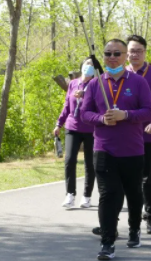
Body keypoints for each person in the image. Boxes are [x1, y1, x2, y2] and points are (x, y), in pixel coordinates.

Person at [80, 39, 151, 260]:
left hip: (132, 150)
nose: (112, 57)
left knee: (133, 194)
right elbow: (84, 115)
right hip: (104, 150)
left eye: (117, 53)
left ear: (125, 56)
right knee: (108, 195)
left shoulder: (138, 82)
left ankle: (134, 228)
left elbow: (149, 111)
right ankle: (107, 242)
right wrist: (102, 119)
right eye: (108, 53)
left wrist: (126, 115)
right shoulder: (95, 84)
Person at [125, 35, 151, 235]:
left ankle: (150, 216)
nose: (134, 55)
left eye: (138, 51)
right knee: (125, 178)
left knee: (147, 177)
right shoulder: (120, 74)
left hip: (148, 133)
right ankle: (119, 219)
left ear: (145, 52)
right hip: (125, 134)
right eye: (131, 51)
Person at [54, 58, 96, 209]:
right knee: (69, 160)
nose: (88, 67)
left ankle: (87, 196)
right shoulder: (73, 83)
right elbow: (67, 105)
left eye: (92, 65)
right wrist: (59, 123)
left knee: (90, 164)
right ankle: (70, 194)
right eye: (87, 64)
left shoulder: (97, 84)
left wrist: (84, 95)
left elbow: (99, 105)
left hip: (91, 129)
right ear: (82, 66)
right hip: (72, 127)